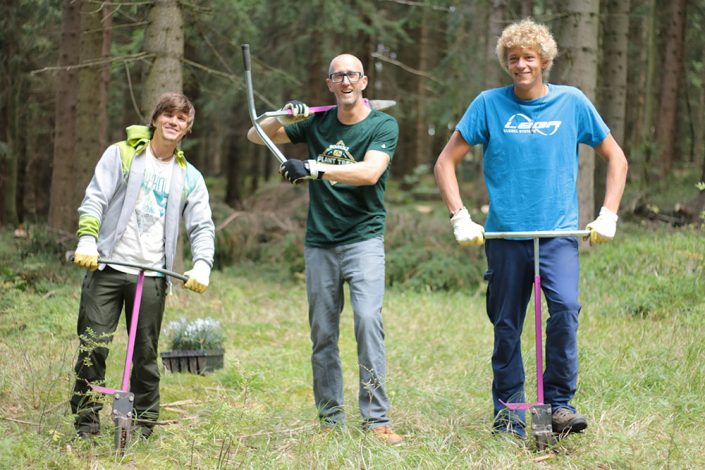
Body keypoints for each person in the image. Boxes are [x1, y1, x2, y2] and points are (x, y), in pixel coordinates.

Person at [434, 19, 628, 438]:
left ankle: (559, 406)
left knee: (565, 311)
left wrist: (608, 212)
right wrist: (460, 216)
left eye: (529, 57)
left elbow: (617, 157)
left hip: (558, 236)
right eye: (513, 58)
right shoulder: (488, 104)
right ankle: (508, 416)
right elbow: (444, 162)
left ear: (544, 61)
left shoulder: (572, 102)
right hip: (505, 238)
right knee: (507, 326)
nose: (521, 65)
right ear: (506, 62)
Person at [246, 54, 402, 445]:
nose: (345, 80)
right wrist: (283, 115)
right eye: (338, 76)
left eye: (352, 74)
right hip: (321, 243)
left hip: (364, 239)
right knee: (323, 333)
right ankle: (330, 421)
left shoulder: (383, 124)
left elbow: (369, 173)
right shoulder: (316, 122)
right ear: (330, 84)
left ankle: (376, 420)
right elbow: (256, 135)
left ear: (363, 82)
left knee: (368, 322)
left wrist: (314, 168)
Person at [71, 92, 215, 439]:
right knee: (94, 346)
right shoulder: (122, 154)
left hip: (151, 276)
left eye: (181, 119)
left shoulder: (189, 176)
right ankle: (87, 425)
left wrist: (202, 264)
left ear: (186, 130)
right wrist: (88, 240)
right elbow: (95, 198)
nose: (173, 122)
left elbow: (202, 225)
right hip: (108, 267)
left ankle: (142, 425)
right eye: (168, 115)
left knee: (146, 356)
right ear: (155, 120)